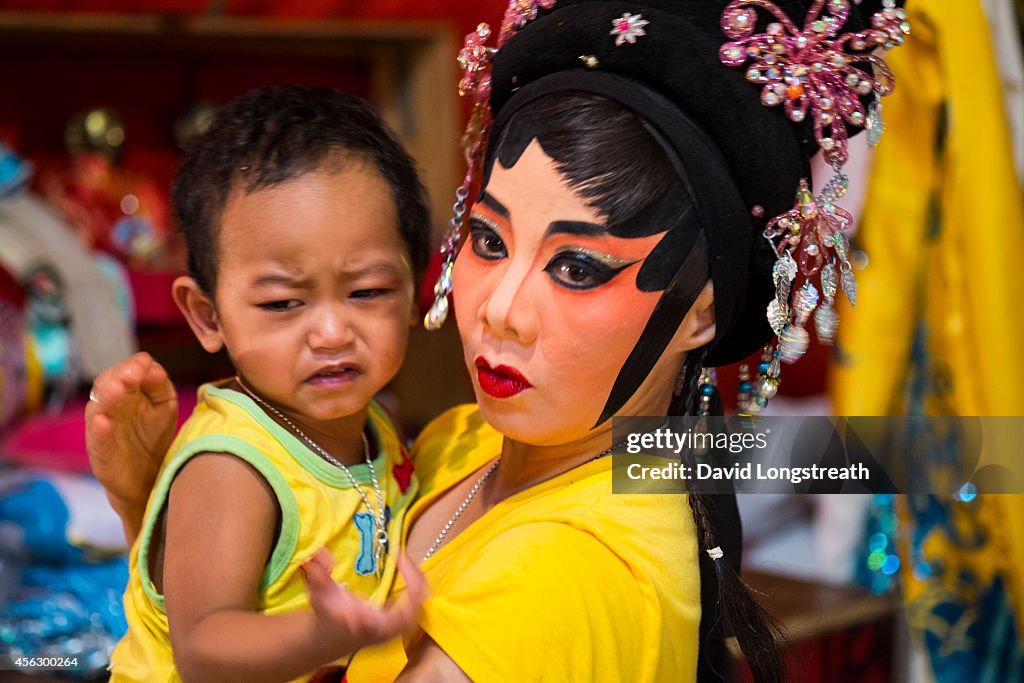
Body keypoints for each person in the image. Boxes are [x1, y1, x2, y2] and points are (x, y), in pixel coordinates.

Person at [87, 1, 909, 680]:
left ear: (700, 312)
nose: (500, 310)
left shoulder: (558, 576)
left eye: (579, 266)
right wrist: (161, 506)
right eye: (488, 241)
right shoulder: (458, 443)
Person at [102, 86, 430, 683]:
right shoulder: (233, 465)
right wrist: (318, 635)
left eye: (368, 292)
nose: (332, 332)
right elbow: (203, 650)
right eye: (283, 303)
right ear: (207, 316)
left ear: (414, 291)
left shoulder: (374, 419)